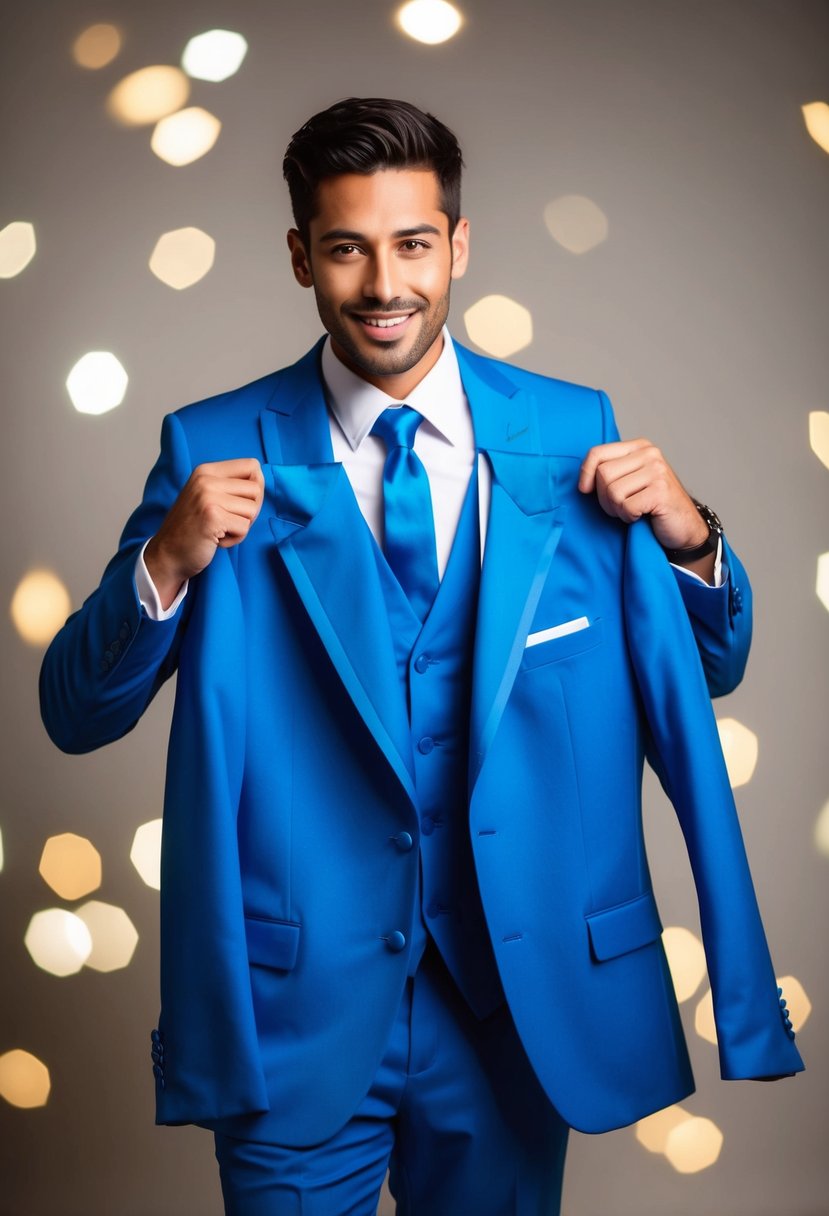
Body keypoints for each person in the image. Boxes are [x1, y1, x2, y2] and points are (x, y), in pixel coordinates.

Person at [40, 97, 803, 1216]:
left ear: (458, 245)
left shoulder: (570, 429)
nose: (384, 283)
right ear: (301, 255)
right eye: (347, 248)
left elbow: (708, 672)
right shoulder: (210, 446)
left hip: (515, 999)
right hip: (293, 1011)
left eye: (411, 244)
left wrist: (693, 537)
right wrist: (164, 558)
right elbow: (75, 711)